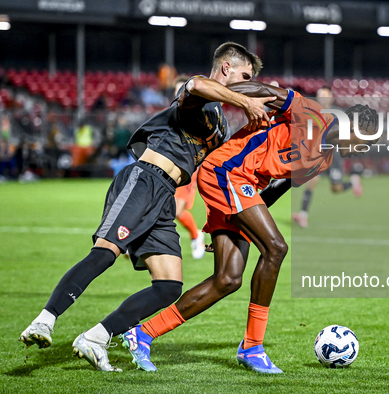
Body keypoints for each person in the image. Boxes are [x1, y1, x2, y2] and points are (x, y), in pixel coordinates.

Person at [19, 42, 276, 372]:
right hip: (144, 179)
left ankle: (96, 337)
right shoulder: (200, 93)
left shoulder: (221, 124)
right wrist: (246, 100)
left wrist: (220, 225)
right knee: (105, 252)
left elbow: (218, 176)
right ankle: (44, 320)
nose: (248, 83)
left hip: (166, 195)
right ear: (226, 69)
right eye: (244, 75)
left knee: (169, 285)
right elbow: (196, 86)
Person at [120, 84, 379, 373]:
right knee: (277, 248)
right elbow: (261, 89)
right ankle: (252, 347)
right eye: (365, 141)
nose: (364, 150)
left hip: (244, 190)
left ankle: (142, 334)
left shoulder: (323, 159)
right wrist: (220, 93)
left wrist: (243, 224)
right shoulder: (311, 114)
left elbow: (277, 188)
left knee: (227, 280)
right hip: (227, 171)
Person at [292, 86, 362, 228]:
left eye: (325, 95)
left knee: (335, 188)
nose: (322, 97)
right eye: (319, 95)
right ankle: (303, 215)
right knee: (312, 181)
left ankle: (353, 183)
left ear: (331, 97)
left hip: (333, 157)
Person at [171, 75, 205, 259]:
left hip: (188, 167)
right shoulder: (169, 113)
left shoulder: (197, 114)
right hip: (168, 166)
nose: (179, 95)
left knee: (176, 210)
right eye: (177, 91)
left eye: (182, 91)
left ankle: (195, 236)